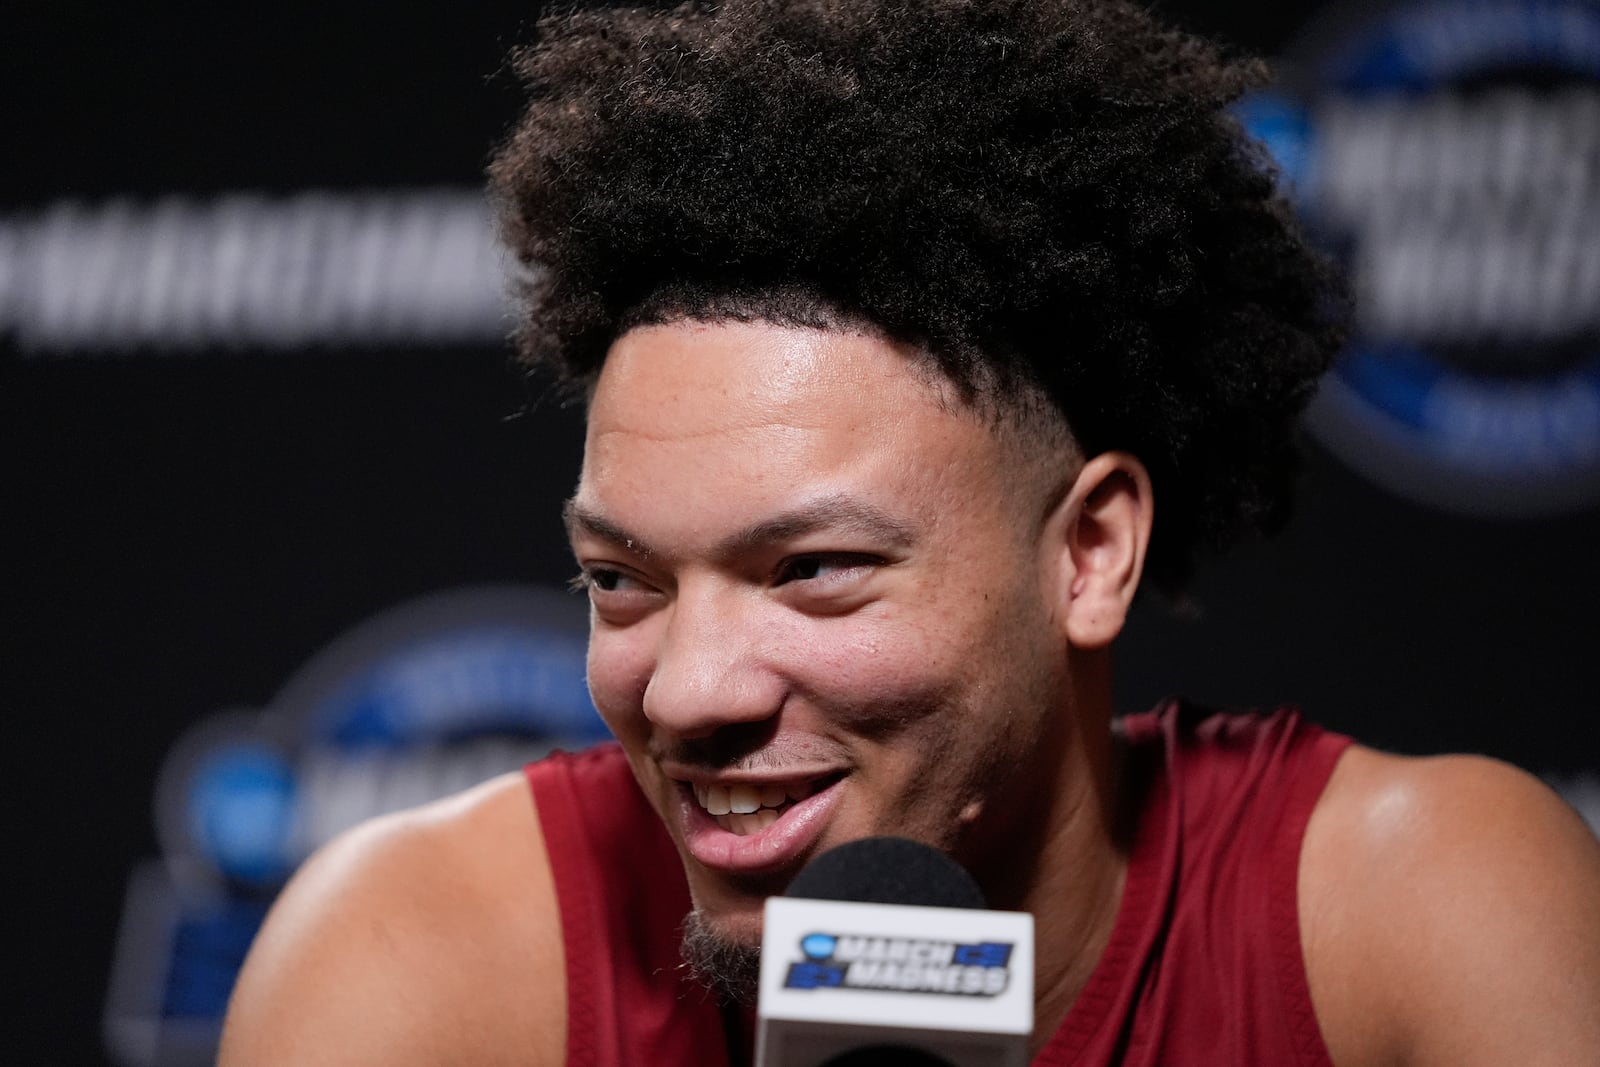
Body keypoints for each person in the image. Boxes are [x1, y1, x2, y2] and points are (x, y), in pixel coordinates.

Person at [219, 1, 1600, 1064]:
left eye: (811, 572)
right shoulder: (419, 959)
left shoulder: (1418, 914)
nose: (690, 693)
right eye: (621, 579)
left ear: (1091, 552)